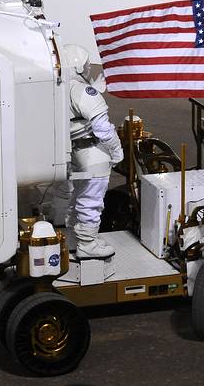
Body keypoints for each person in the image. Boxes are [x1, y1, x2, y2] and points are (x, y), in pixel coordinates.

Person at [62, 44, 123, 259]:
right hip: (90, 151)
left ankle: (71, 237)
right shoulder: (82, 91)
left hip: (70, 151)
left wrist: (93, 89)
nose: (89, 68)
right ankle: (88, 243)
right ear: (79, 66)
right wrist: (117, 151)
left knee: (75, 195)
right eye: (86, 65)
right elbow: (103, 129)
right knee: (91, 198)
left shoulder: (60, 87)